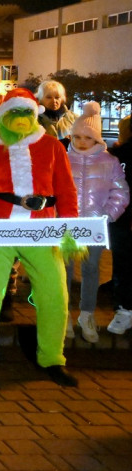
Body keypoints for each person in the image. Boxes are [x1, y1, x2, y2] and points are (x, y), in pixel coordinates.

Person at [0, 88, 79, 387]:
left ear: (34, 114)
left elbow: (66, 190)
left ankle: (52, 357)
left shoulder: (52, 146)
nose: (22, 118)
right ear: (2, 117)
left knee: (54, 294)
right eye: (14, 112)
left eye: (27, 112)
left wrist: (70, 228)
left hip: (42, 229)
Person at [64, 102, 128, 342]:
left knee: (91, 270)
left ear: (96, 139)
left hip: (95, 227)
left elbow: (120, 192)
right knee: (65, 270)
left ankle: (87, 314)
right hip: (66, 226)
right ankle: (64, 315)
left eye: (87, 138)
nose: (81, 142)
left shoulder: (109, 162)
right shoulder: (63, 158)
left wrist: (108, 215)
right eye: (77, 136)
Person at [107, 116, 132, 335]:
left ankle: (124, 309)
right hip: (122, 218)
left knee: (123, 264)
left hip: (122, 219)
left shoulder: (118, 155)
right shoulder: (118, 155)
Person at [36, 80, 76, 147]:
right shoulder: (33, 119)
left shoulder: (73, 118)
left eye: (57, 97)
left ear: (62, 99)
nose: (54, 101)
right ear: (40, 99)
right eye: (49, 97)